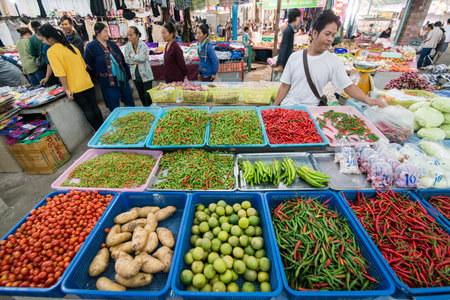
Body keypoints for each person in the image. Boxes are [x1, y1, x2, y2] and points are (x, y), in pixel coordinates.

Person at [274, 10, 386, 108]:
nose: (330, 39)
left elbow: (348, 86)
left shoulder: (333, 61)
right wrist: (272, 108)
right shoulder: (295, 57)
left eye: (333, 35)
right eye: (327, 34)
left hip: (310, 112)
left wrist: (368, 100)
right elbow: (285, 86)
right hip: (288, 108)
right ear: (314, 33)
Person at [38, 24, 103, 130]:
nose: (44, 42)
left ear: (50, 38)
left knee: (87, 110)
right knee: (95, 107)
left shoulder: (52, 51)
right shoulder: (70, 46)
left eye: (43, 40)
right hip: (87, 82)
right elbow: (83, 65)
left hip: (75, 86)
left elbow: (61, 73)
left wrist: (67, 89)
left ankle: (98, 131)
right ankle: (103, 129)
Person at [84, 23, 135, 112]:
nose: (108, 33)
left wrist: (128, 77)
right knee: (114, 105)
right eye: (105, 31)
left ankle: (133, 117)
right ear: (98, 33)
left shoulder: (112, 44)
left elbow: (122, 60)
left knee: (129, 101)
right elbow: (89, 64)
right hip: (108, 82)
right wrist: (99, 75)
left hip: (122, 79)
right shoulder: (91, 47)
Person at [124, 26, 153, 106]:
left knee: (148, 96)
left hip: (146, 75)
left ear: (137, 35)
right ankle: (147, 112)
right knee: (141, 96)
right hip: (135, 76)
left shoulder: (143, 45)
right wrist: (136, 58)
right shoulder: (127, 46)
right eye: (128, 35)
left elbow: (143, 58)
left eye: (131, 35)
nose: (129, 37)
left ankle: (152, 110)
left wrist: (132, 56)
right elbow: (127, 60)